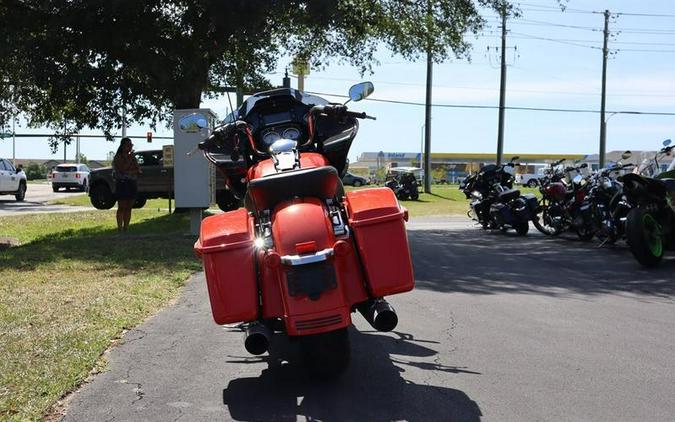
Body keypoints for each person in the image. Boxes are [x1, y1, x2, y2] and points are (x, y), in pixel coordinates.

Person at [113, 137, 140, 232]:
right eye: (128, 145)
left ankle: (126, 227)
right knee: (122, 207)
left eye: (131, 145)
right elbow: (122, 169)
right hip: (122, 183)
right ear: (123, 146)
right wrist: (129, 161)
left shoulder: (133, 157)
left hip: (132, 183)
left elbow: (138, 170)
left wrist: (130, 171)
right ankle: (119, 228)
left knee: (129, 206)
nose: (130, 147)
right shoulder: (118, 157)